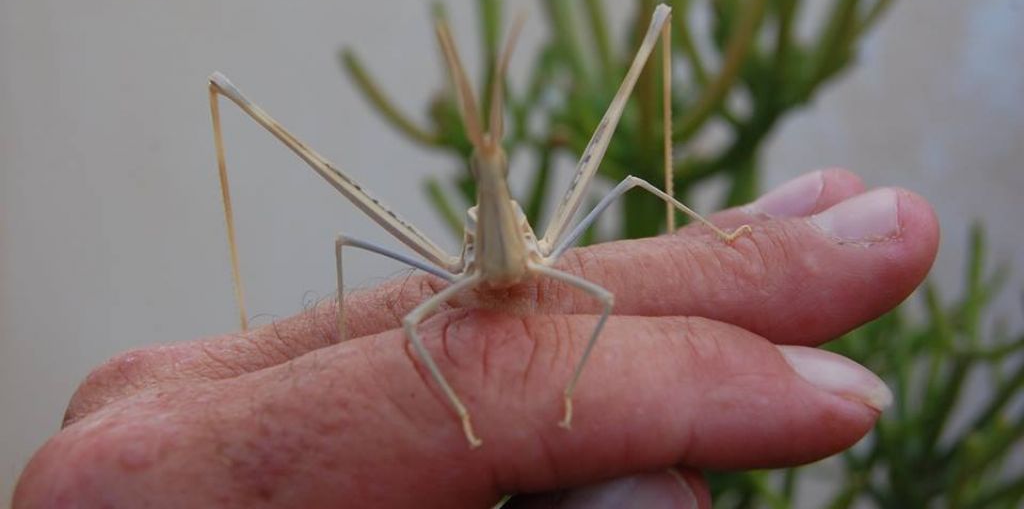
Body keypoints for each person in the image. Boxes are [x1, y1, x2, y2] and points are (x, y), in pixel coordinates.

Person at [13, 169, 939, 508]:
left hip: (539, 263)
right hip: (455, 276)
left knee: (624, 181)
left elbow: (620, 224)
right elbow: (372, 274)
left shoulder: (559, 255)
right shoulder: (436, 298)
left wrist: (719, 242)